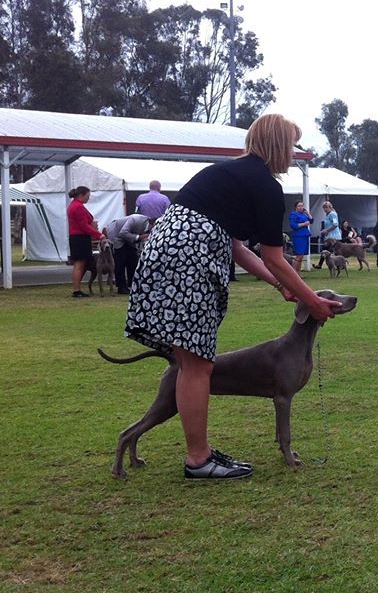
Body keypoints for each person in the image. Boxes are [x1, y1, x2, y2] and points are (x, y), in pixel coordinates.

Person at [125, 113, 340, 480]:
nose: (293, 153)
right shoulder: (264, 185)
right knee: (197, 364)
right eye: (291, 145)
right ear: (277, 145)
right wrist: (312, 300)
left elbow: (238, 249)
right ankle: (199, 459)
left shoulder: (227, 173)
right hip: (188, 261)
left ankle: (201, 454)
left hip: (167, 255)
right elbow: (275, 257)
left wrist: (281, 286)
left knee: (192, 362)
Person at [67, 186, 104, 298]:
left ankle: (77, 288)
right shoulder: (78, 207)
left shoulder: (74, 205)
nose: (88, 198)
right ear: (81, 195)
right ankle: (76, 290)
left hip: (77, 237)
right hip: (80, 238)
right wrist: (99, 235)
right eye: (87, 196)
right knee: (79, 264)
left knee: (81, 264)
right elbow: (84, 225)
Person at [103, 213, 150, 295]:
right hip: (116, 234)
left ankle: (133, 285)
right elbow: (123, 233)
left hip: (129, 238)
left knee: (133, 260)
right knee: (120, 261)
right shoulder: (135, 219)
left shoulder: (149, 226)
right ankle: (121, 287)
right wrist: (139, 237)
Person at [288, 201, 313, 272]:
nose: (301, 207)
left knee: (301, 256)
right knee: (299, 255)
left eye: (302, 206)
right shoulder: (293, 214)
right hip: (298, 236)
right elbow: (293, 225)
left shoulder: (304, 215)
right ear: (296, 207)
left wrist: (308, 213)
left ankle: (298, 273)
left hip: (305, 235)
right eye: (299, 206)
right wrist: (303, 224)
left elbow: (311, 220)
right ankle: (293, 272)